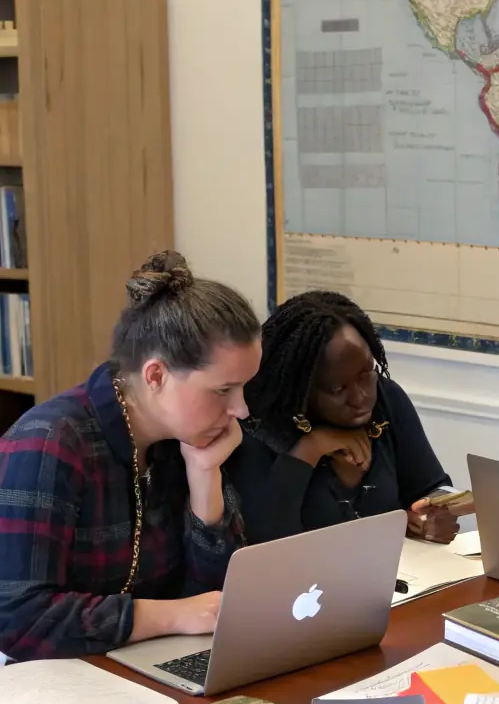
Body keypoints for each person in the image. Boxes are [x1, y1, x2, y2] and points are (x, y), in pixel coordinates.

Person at [0, 252, 262, 659]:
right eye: (223, 390)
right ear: (156, 375)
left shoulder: (184, 437)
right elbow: (19, 620)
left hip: (140, 664)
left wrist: (205, 476)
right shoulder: (50, 441)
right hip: (52, 678)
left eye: (245, 388)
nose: (241, 410)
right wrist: (170, 616)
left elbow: (215, 601)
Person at [228, 290, 460, 546]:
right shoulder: (259, 425)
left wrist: (430, 516)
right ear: (301, 389)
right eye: (338, 388)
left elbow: (430, 487)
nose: (361, 397)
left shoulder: (386, 399)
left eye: (366, 374)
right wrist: (309, 450)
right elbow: (266, 541)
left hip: (396, 568)